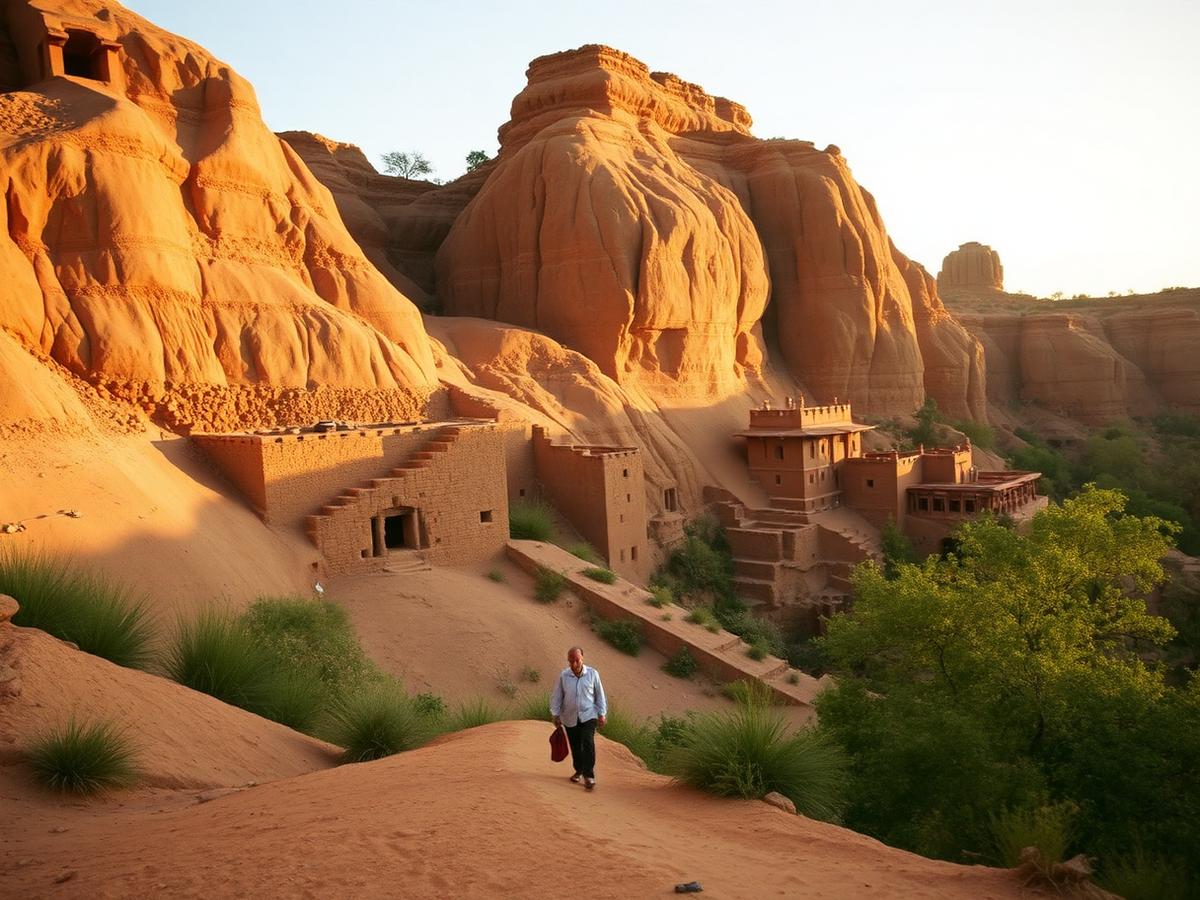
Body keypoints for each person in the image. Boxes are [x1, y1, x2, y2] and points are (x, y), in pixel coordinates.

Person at [550, 645, 607, 791]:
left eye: (577, 660)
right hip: (569, 716)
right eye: (571, 661)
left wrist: (602, 713)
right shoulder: (564, 676)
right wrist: (555, 714)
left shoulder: (593, 674)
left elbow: (599, 695)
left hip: (589, 715)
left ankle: (589, 775)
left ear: (582, 658)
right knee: (575, 746)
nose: (574, 664)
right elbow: (557, 696)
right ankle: (579, 770)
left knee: (587, 742)